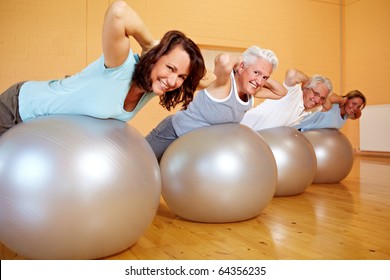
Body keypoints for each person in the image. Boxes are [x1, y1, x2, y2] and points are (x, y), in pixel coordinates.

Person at [0, 0, 206, 137]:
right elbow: (118, 12)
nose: (172, 81)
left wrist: (229, 67)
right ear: (155, 58)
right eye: (170, 67)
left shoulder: (151, 88)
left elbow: (209, 79)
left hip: (41, 132)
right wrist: (149, 44)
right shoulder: (120, 66)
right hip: (19, 107)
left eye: (181, 76)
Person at [146, 46, 286, 162]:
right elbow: (224, 60)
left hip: (194, 148)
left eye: (265, 77)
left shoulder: (252, 93)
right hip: (173, 133)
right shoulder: (224, 83)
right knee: (138, 169)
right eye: (256, 72)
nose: (260, 82)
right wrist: (244, 68)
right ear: (241, 66)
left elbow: (281, 92)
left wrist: (256, 77)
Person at [240, 68, 333, 131]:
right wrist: (308, 82)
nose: (317, 100)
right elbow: (292, 73)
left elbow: (328, 106)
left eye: (322, 98)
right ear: (306, 88)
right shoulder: (293, 92)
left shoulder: (311, 108)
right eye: (316, 93)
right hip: (243, 127)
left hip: (257, 139)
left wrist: (323, 94)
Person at [293, 89, 367, 132]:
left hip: (313, 139)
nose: (355, 108)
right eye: (354, 103)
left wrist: (355, 106)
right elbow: (327, 94)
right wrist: (342, 99)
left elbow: (358, 114)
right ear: (347, 99)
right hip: (299, 129)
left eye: (358, 106)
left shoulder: (347, 115)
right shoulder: (334, 104)